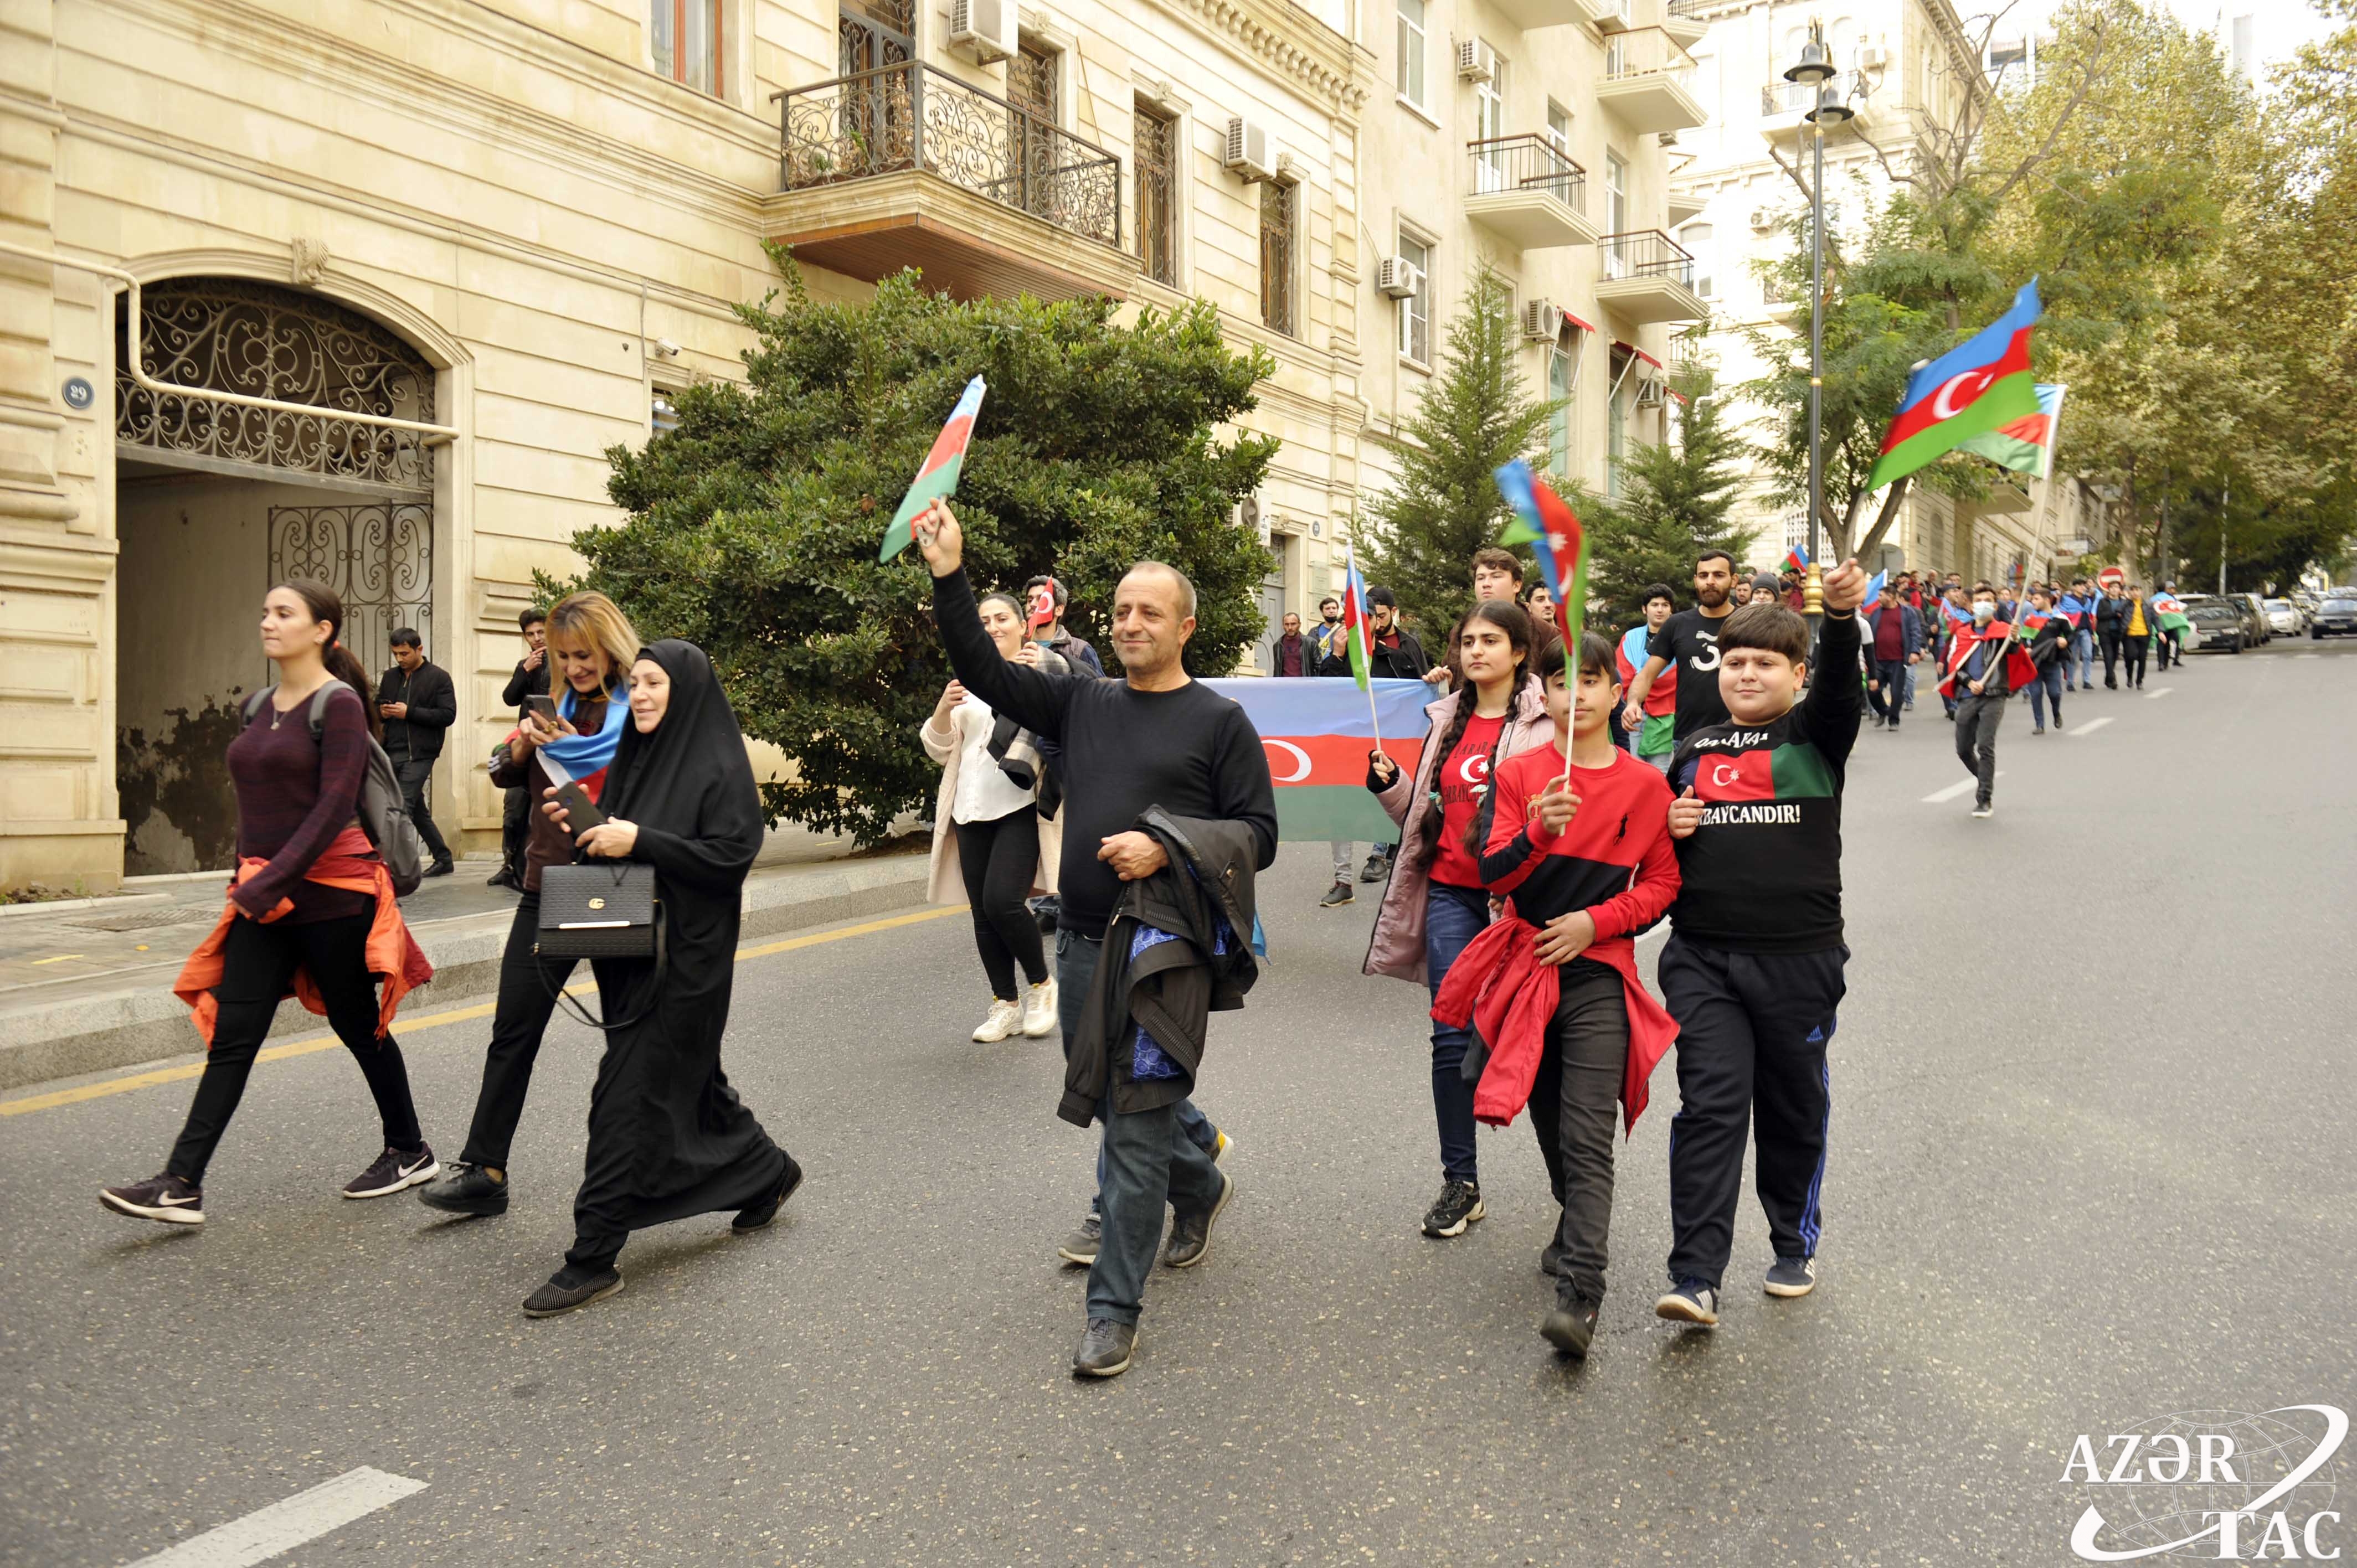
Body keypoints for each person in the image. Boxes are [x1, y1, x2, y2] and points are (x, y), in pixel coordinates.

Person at [916, 499, 1268, 1378]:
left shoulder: (1220, 721)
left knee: (1137, 1115)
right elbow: (981, 670)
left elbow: (1257, 831)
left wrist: (1168, 844)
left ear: (1185, 626)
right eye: (1120, 610)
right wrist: (949, 573)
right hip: (1079, 941)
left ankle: (1114, 1307)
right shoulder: (1080, 700)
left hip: (1165, 950)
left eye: (1151, 611)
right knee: (1114, 1094)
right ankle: (1204, 1180)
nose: (1132, 623)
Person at [101, 580, 434, 1226]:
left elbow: (336, 803)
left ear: (322, 631)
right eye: (265, 612)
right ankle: (180, 1182)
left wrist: (273, 878)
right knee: (234, 1036)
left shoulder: (337, 705)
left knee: (356, 1024)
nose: (268, 622)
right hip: (267, 897)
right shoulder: (256, 706)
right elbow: (254, 808)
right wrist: (243, 878)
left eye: (285, 613)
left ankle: (409, 1148)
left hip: (334, 895)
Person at [521, 639, 800, 1318]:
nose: (640, 695)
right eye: (635, 684)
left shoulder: (716, 762)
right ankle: (766, 1170)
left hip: (688, 962)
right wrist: (585, 825)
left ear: (685, 690)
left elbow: (731, 854)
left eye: (653, 683)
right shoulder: (637, 758)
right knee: (693, 1081)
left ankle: (593, 1253)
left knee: (627, 1096)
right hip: (633, 952)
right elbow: (619, 840)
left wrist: (636, 839)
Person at [1434, 630, 1680, 1356]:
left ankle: (1582, 1295)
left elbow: (1663, 884)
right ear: (1545, 693)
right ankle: (1572, 1217)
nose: (1578, 696)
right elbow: (1495, 877)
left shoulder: (1645, 785)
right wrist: (1539, 830)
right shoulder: (1519, 777)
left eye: (1594, 681)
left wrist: (1595, 921)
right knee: (1546, 1119)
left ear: (1615, 691)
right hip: (1525, 966)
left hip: (1599, 971)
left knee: (1586, 1134)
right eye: (1563, 683)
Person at [1651, 561, 1867, 1329]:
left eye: (1765, 663)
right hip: (1703, 960)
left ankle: (1790, 1242)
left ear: (1796, 673)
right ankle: (1695, 1276)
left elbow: (1844, 687)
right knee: (1709, 1108)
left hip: (1799, 963)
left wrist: (1839, 620)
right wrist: (1667, 831)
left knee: (1790, 1109)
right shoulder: (1691, 750)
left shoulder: (1816, 737)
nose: (1746, 674)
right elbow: (1653, 864)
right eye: (1735, 661)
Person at [418, 590, 642, 1220]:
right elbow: (498, 769)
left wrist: (572, 765)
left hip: (607, 884)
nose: (574, 667)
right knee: (512, 1031)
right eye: (564, 656)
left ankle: (737, 1160)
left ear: (612, 647)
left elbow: (623, 813)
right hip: (543, 886)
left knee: (632, 1038)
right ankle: (485, 1169)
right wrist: (521, 749)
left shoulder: (639, 712)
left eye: (585, 654)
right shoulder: (556, 706)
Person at [1363, 602, 1552, 1240]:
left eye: (1490, 641)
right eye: (1467, 641)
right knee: (1449, 1035)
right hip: (1449, 893)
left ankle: (1572, 1180)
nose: (1475, 651)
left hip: (1519, 904)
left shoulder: (1545, 722)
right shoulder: (1445, 720)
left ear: (1519, 652)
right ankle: (1460, 1181)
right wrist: (1392, 787)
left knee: (1538, 1041)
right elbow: (1424, 821)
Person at [922, 591, 1064, 1043]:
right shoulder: (966, 680)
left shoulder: (1039, 670)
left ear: (1024, 625)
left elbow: (1069, 709)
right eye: (983, 620)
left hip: (1019, 807)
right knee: (983, 914)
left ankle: (1043, 986)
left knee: (1004, 901)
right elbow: (940, 748)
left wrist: (1038, 670)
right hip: (968, 808)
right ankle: (1005, 1004)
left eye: (1002, 618)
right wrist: (944, 710)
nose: (992, 627)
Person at [1321, 586, 1426, 888]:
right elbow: (1324, 698)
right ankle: (1343, 882)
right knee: (1340, 810)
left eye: (1365, 618)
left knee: (1387, 800)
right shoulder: (1335, 657)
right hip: (1345, 745)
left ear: (1375, 623)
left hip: (1384, 746)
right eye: (1350, 619)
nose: (1357, 624)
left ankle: (1386, 857)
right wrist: (1338, 656)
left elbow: (1417, 696)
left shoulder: (1397, 657)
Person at [1623, 550, 1738, 749]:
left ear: (1734, 580)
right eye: (1703, 576)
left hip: (1742, 736)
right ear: (1695, 581)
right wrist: (1634, 703)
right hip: (1689, 739)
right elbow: (1647, 675)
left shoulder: (1749, 622)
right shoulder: (1677, 624)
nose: (1710, 581)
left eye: (1718, 575)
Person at [378, 628, 456, 878]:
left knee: (402, 806)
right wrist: (381, 712)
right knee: (418, 810)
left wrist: (409, 712)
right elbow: (378, 704)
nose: (400, 659)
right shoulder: (390, 677)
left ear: (419, 649)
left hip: (421, 753)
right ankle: (443, 858)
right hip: (391, 750)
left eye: (405, 653)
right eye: (396, 654)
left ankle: (394, 867)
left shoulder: (439, 678)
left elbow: (448, 715)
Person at [1942, 583, 2023, 819]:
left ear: (1995, 606)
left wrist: (2015, 638)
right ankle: (1984, 776)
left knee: (1985, 745)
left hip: (1994, 694)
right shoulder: (1963, 634)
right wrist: (1968, 683)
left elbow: (2015, 652)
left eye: (1987, 600)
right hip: (1968, 696)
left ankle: (1984, 798)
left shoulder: (2003, 631)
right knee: (1963, 749)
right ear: (1971, 604)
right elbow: (1955, 666)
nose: (1982, 605)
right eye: (1978, 601)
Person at [491, 607, 549, 890]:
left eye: (541, 632)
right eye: (531, 634)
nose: (537, 639)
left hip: (549, 747)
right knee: (513, 809)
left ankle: (530, 870)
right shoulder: (525, 664)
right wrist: (525, 670)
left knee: (536, 810)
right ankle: (508, 863)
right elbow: (509, 698)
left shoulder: (563, 663)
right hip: (523, 747)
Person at [1616, 584, 1678, 772]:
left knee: (1661, 771)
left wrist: (1645, 679)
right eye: (1654, 605)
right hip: (1633, 714)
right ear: (1645, 609)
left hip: (1666, 717)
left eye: (1665, 605)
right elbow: (1622, 673)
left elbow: (1678, 677)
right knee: (1633, 769)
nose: (1660, 609)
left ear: (1671, 610)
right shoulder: (1631, 638)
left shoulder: (1678, 639)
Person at [1022, 575, 1106, 678]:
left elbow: (1099, 688)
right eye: (1030, 600)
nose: (1033, 604)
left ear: (1059, 610)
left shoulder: (1079, 650)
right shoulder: (1015, 644)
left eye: (1041, 600)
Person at [1864, 586, 1922, 731]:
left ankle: (1894, 720)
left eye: (1881, 595)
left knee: (1897, 693)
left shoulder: (1908, 613)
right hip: (1877, 661)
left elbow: (1915, 632)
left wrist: (1915, 652)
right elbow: (1868, 636)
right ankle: (1884, 711)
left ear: (1890, 596)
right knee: (1872, 689)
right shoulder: (1876, 614)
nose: (1878, 598)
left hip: (1898, 660)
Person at [2025, 589, 2071, 735]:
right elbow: (2023, 638)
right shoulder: (2030, 619)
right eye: (2033, 599)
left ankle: (2056, 713)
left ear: (2046, 600)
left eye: (2036, 599)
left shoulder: (2060, 618)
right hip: (2034, 662)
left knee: (2055, 693)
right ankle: (2040, 724)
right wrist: (2026, 648)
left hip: (2053, 661)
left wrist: (2066, 641)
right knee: (2036, 693)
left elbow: (2071, 636)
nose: (2033, 602)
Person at [2121, 584, 2153, 689]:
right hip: (2130, 635)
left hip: (2144, 635)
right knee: (2130, 656)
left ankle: (2139, 681)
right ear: (2130, 592)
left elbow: (2155, 618)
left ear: (2141, 592)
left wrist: (2161, 631)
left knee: (2142, 658)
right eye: (2133, 590)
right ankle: (2129, 676)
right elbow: (2117, 610)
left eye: (2137, 590)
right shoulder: (2126, 604)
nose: (2135, 592)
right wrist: (2126, 600)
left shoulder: (2148, 604)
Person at [1269, 610, 1309, 677]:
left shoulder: (1310, 643)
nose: (1290, 628)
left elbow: (1317, 667)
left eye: (1293, 624)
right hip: (1284, 684)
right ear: (1283, 626)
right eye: (1287, 624)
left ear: (1300, 625)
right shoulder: (1278, 645)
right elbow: (1277, 669)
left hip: (1304, 684)